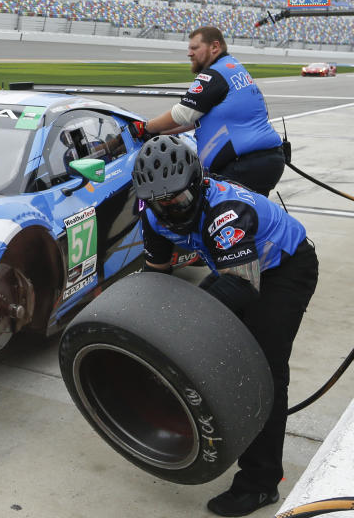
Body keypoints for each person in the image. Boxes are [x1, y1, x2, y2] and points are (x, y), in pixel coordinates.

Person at [133, 136, 318, 517]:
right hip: (234, 270)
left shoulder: (226, 210)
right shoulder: (153, 214)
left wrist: (182, 325)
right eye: (159, 199)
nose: (169, 209)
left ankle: (260, 484)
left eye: (177, 199)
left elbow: (243, 286)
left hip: (283, 269)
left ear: (197, 183)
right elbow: (156, 277)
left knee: (264, 371)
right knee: (215, 355)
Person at [137, 26, 285, 196]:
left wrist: (145, 127)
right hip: (264, 158)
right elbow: (196, 120)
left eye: (195, 48)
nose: (189, 53)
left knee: (213, 213)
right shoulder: (232, 66)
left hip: (243, 164)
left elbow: (183, 114)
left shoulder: (214, 74)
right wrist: (161, 131)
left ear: (214, 47)